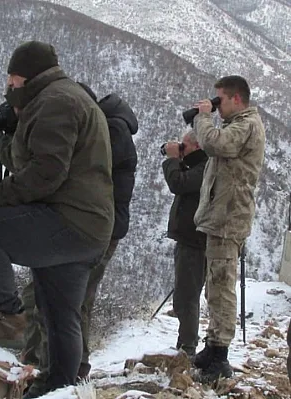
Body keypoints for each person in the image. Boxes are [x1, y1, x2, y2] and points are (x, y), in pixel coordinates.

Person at [0, 40, 114, 394]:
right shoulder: (63, 96)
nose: (9, 88)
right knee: (60, 314)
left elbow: (46, 171)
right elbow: (30, 160)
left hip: (68, 223)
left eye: (11, 80)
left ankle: (9, 316)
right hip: (88, 228)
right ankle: (60, 386)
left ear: (23, 76)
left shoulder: (55, 103)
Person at [20, 85, 138, 388]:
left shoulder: (112, 132)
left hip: (95, 229)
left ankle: (62, 373)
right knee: (70, 301)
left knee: (66, 301)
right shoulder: (109, 126)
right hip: (94, 227)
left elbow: (72, 171)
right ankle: (64, 367)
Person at [191, 75, 265, 381]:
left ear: (236, 98)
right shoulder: (241, 124)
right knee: (215, 284)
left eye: (220, 100)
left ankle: (220, 355)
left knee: (221, 286)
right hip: (222, 216)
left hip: (228, 218)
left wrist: (204, 116)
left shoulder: (246, 125)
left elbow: (214, 143)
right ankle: (213, 344)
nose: (217, 106)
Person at [162, 130, 209, 358]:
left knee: (187, 296)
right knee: (183, 296)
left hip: (195, 241)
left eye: (185, 146)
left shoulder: (206, 167)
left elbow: (178, 184)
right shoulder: (198, 166)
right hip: (189, 239)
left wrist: (172, 160)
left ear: (198, 145)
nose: (183, 149)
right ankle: (186, 344)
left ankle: (187, 348)